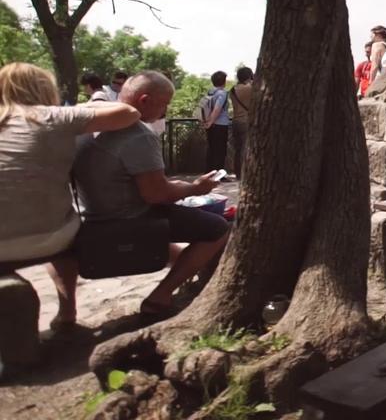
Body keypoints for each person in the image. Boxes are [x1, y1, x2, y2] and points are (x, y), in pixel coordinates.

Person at [74, 71, 229, 316]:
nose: (165, 111)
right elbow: (156, 195)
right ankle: (160, 297)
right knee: (218, 228)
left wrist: (173, 185)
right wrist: (196, 188)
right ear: (144, 100)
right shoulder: (139, 134)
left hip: (93, 213)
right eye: (165, 103)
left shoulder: (89, 125)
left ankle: (193, 276)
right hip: (128, 217)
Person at [0, 62, 139, 329]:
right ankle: (67, 311)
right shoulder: (56, 116)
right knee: (67, 227)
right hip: (48, 238)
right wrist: (82, 108)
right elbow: (129, 112)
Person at [229, 67, 257, 177]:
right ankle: (244, 172)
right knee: (246, 148)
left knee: (238, 148)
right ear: (249, 76)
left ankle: (237, 172)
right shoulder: (250, 88)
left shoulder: (233, 89)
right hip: (246, 121)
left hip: (235, 121)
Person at [201, 71, 231, 172]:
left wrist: (208, 122)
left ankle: (209, 172)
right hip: (220, 125)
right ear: (224, 81)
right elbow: (217, 109)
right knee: (220, 150)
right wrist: (211, 121)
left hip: (210, 125)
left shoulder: (210, 92)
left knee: (211, 149)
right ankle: (219, 174)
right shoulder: (222, 93)